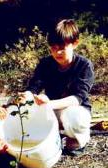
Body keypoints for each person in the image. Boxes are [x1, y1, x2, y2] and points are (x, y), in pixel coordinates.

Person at [19, 19, 94, 156]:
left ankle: (77, 138)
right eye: (53, 47)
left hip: (75, 110)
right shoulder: (45, 64)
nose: (57, 52)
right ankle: (54, 135)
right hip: (52, 110)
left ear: (75, 43)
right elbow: (34, 86)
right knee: (24, 112)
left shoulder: (84, 65)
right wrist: (27, 95)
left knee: (76, 117)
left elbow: (78, 98)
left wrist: (49, 103)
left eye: (62, 47)